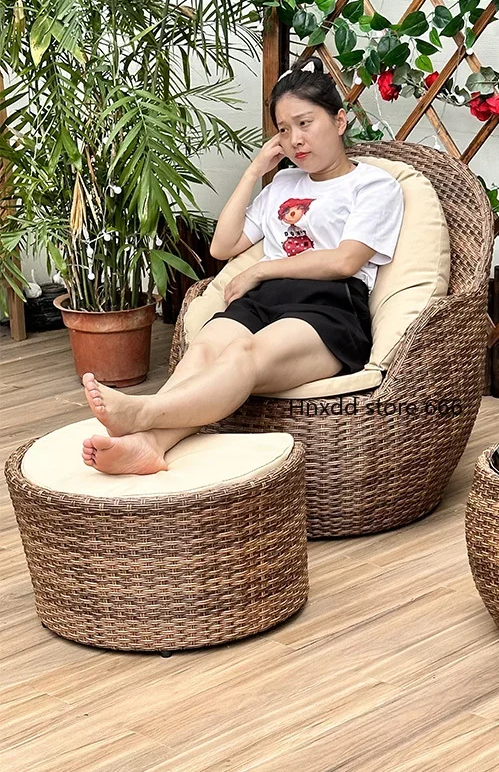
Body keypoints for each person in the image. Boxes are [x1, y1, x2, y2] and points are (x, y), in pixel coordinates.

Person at [80, 56, 405, 475]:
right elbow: (223, 245)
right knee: (203, 350)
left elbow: (346, 261)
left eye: (305, 123)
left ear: (339, 121)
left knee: (241, 353)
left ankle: (143, 414)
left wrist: (261, 270)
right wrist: (254, 172)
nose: (295, 140)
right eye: (284, 130)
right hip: (263, 300)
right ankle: (149, 444)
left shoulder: (375, 184)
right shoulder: (283, 184)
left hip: (328, 306)